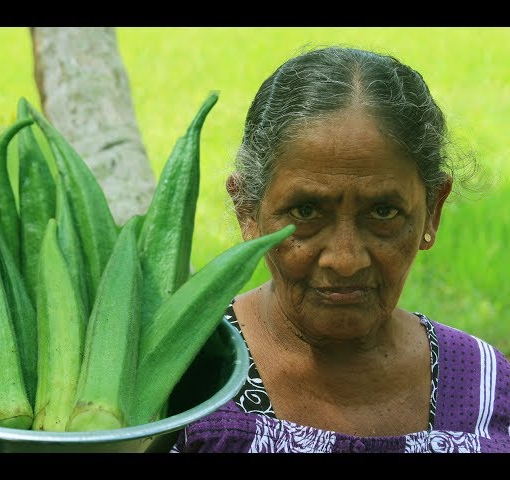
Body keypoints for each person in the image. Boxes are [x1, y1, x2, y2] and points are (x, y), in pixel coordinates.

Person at [171, 45, 510, 453]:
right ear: (248, 208)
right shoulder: (184, 381)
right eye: (306, 210)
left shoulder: (482, 387)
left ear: (432, 211)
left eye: (383, 212)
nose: (345, 261)